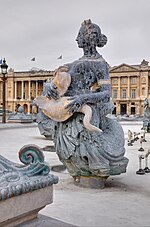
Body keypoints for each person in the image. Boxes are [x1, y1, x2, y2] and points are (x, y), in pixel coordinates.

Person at [43, 19, 128, 178]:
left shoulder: (100, 64)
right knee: (71, 155)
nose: (76, 39)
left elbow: (106, 94)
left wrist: (82, 98)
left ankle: (93, 174)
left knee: (86, 149)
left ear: (88, 38)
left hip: (83, 110)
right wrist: (48, 86)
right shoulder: (73, 64)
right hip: (67, 110)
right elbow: (56, 81)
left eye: (79, 35)